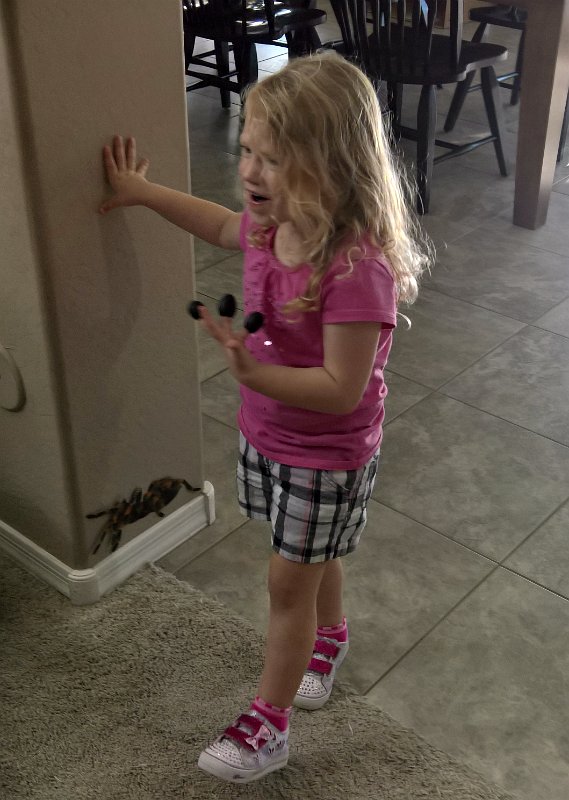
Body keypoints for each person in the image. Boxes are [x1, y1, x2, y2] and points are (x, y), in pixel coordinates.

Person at [100, 52, 429, 785]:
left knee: (286, 584)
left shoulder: (356, 269)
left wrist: (252, 374)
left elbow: (341, 389)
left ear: (331, 168)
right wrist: (142, 192)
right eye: (247, 150)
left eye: (274, 159)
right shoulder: (265, 225)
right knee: (307, 556)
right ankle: (329, 637)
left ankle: (267, 727)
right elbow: (217, 222)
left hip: (327, 454)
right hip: (267, 435)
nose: (250, 171)